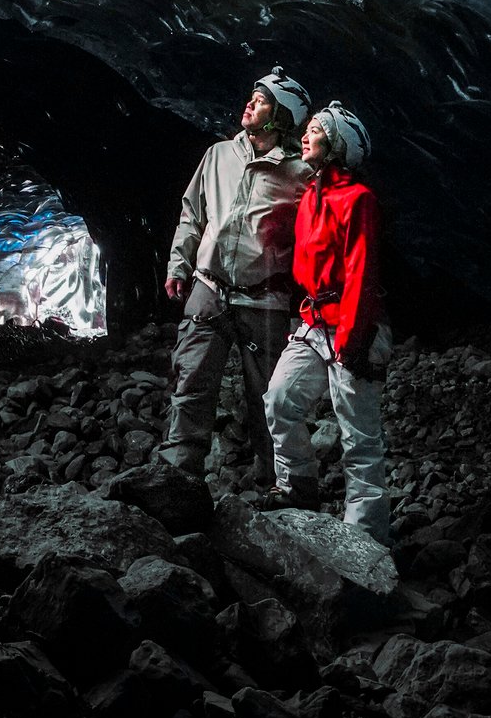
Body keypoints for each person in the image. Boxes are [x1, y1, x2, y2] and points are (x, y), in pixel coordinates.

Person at [159, 67, 313, 487]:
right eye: (252, 96)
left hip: (264, 301)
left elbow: (314, 240)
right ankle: (179, 475)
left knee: (265, 398)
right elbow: (193, 214)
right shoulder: (218, 155)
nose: (249, 104)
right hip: (208, 289)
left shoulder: (301, 176)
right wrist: (179, 265)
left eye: (261, 100)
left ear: (280, 118)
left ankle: (270, 483)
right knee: (191, 380)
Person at [264, 99, 393, 541]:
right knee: (280, 399)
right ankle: (298, 488)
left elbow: (360, 271)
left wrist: (354, 342)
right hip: (315, 320)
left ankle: (365, 539)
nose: (306, 133)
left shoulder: (359, 200)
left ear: (337, 143)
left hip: (351, 325)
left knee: (358, 437)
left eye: (316, 129)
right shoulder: (310, 199)